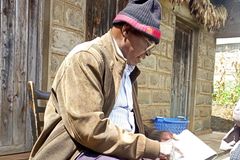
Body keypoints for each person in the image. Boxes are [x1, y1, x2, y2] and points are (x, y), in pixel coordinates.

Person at [29, 0, 175, 159]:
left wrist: (155, 136)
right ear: (126, 30)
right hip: (77, 150)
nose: (148, 53)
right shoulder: (87, 58)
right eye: (148, 43)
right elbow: (89, 130)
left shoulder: (127, 70)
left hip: (106, 148)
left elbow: (125, 123)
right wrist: (152, 148)